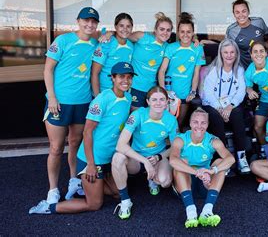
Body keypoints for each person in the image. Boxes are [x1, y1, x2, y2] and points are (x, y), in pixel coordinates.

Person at [29, 62, 135, 214]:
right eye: (121, 77)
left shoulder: (128, 97)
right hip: (91, 160)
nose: (126, 80)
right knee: (94, 204)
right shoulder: (101, 100)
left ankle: (91, 185)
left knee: (118, 193)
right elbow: (87, 132)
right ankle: (49, 207)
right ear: (112, 78)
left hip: (108, 159)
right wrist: (91, 164)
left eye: (129, 77)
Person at [41, 7, 99, 204]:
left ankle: (74, 180)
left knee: (75, 143)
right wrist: (52, 98)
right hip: (59, 104)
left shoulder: (95, 44)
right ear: (78, 21)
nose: (89, 25)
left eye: (93, 22)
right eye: (86, 20)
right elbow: (48, 70)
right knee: (56, 148)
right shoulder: (63, 41)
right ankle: (53, 189)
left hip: (83, 103)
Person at [111, 86, 179, 219]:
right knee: (117, 158)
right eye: (154, 99)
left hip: (157, 157)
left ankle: (153, 179)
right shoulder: (138, 115)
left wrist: (159, 157)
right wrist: (145, 161)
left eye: (162, 99)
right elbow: (120, 145)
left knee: (165, 182)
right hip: (136, 159)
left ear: (167, 102)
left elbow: (176, 148)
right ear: (148, 101)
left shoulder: (171, 120)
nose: (158, 103)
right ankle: (125, 201)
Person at [169, 108, 235, 228]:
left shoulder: (213, 140)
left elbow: (231, 159)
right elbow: (173, 160)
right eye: (195, 122)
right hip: (185, 184)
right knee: (180, 162)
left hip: (205, 183)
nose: (199, 126)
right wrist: (196, 172)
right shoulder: (180, 139)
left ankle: (207, 211)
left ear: (208, 124)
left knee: (220, 162)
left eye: (203, 122)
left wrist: (211, 171)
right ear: (190, 123)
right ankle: (191, 212)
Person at [201, 38, 249, 174]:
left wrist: (229, 107)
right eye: (226, 52)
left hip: (230, 105)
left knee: (238, 113)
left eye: (232, 52)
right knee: (215, 117)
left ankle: (241, 157)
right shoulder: (214, 70)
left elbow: (240, 92)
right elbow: (208, 93)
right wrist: (221, 109)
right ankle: (222, 159)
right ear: (221, 54)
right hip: (213, 104)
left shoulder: (239, 70)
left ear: (236, 54)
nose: (229, 55)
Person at [158, 12, 206, 128]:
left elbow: (196, 73)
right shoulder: (171, 47)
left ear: (193, 33)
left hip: (185, 96)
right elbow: (162, 71)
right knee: (164, 125)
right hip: (169, 94)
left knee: (177, 125)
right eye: (182, 31)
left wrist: (193, 92)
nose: (185, 35)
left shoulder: (198, 49)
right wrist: (163, 92)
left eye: (188, 32)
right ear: (178, 33)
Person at [91, 13, 134, 96]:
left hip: (122, 93)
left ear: (132, 28)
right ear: (115, 26)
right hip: (104, 92)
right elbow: (94, 73)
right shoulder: (106, 43)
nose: (125, 29)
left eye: (128, 26)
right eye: (121, 26)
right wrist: (98, 98)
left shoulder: (131, 46)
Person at [225, 0, 268, 69]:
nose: (241, 15)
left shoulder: (259, 22)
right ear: (234, 14)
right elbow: (227, 49)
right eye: (237, 12)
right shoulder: (231, 31)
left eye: (244, 11)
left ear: (248, 11)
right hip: (244, 69)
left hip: (264, 67)